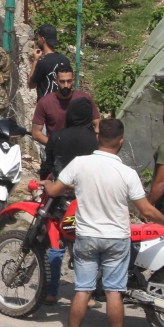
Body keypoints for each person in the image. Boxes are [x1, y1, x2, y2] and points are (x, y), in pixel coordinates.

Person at [44, 119, 164, 327]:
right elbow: (147, 211)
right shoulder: (127, 173)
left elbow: (54, 191)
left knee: (82, 289)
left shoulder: (80, 164)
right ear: (121, 143)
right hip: (117, 239)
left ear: (98, 138)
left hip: (87, 236)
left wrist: (46, 184)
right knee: (114, 292)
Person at [40, 96, 98, 306]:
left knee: (55, 244)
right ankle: (85, 294)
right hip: (83, 203)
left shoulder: (57, 136)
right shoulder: (95, 141)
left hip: (56, 201)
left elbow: (47, 166)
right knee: (80, 246)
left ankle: (51, 292)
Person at [31, 63, 100, 146]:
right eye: (62, 82)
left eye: (69, 81)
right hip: (57, 152)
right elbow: (36, 133)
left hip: (82, 150)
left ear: (73, 80)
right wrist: (55, 146)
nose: (66, 85)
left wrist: (93, 141)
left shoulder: (84, 99)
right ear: (55, 80)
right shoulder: (45, 102)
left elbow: (97, 123)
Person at [28, 24, 71, 99]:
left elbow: (31, 84)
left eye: (38, 37)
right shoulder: (65, 60)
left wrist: (35, 60)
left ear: (43, 39)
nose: (37, 40)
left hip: (46, 107)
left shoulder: (44, 63)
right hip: (62, 104)